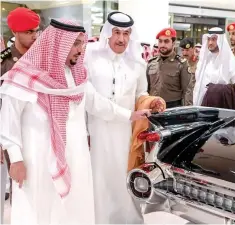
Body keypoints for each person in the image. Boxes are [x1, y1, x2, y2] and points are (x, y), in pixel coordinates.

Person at [0, 18, 150, 224]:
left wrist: (129, 115)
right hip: (37, 160)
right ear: (57, 44)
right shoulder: (25, 76)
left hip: (76, 158)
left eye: (82, 43)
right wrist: (15, 158)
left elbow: (97, 103)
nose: (80, 50)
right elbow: (8, 120)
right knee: (39, 209)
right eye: (75, 44)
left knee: (73, 209)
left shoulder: (76, 75)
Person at [84, 11, 163, 224]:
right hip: (97, 131)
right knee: (99, 180)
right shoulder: (90, 56)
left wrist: (151, 102)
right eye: (116, 32)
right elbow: (87, 99)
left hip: (125, 135)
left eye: (126, 33)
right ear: (107, 33)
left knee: (124, 178)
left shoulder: (137, 62)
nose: (121, 39)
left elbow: (141, 94)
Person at [0, 7, 40, 220]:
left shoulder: (41, 58)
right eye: (28, 32)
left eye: (36, 31)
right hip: (11, 132)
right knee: (18, 183)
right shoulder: (4, 62)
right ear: (15, 32)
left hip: (38, 132)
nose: (34, 36)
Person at [193, 27, 235, 109]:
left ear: (221, 41)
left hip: (221, 110)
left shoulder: (231, 62)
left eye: (214, 39)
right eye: (209, 39)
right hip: (202, 108)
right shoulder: (204, 61)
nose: (210, 42)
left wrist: (217, 90)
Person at [146, 28, 192, 107]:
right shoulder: (151, 63)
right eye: (160, 41)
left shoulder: (181, 64)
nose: (162, 45)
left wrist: (187, 112)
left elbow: (187, 91)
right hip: (153, 107)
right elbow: (146, 88)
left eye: (166, 41)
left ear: (173, 43)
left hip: (173, 108)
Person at [179, 37, 199, 105]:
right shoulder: (180, 64)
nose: (184, 53)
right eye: (182, 50)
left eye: (187, 50)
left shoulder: (200, 64)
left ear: (193, 48)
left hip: (196, 102)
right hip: (183, 104)